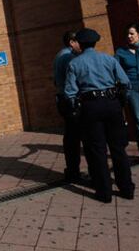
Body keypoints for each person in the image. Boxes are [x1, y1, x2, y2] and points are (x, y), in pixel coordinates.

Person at [65, 28, 135, 203]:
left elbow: (70, 93)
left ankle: (104, 192)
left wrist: (76, 110)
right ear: (95, 42)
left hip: (90, 107)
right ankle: (126, 188)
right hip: (112, 104)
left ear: (79, 44)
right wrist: (120, 102)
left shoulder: (74, 64)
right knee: (118, 148)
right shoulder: (108, 58)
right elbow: (126, 83)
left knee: (98, 151)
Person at [115, 22, 139, 167]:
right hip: (133, 88)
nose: (129, 36)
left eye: (132, 33)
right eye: (127, 34)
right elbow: (115, 71)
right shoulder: (120, 53)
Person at [53, 31, 85, 182]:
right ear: (72, 42)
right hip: (70, 100)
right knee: (75, 136)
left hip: (62, 98)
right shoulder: (69, 57)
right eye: (79, 41)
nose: (81, 45)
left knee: (71, 135)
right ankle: (74, 172)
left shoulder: (59, 55)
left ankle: (72, 171)